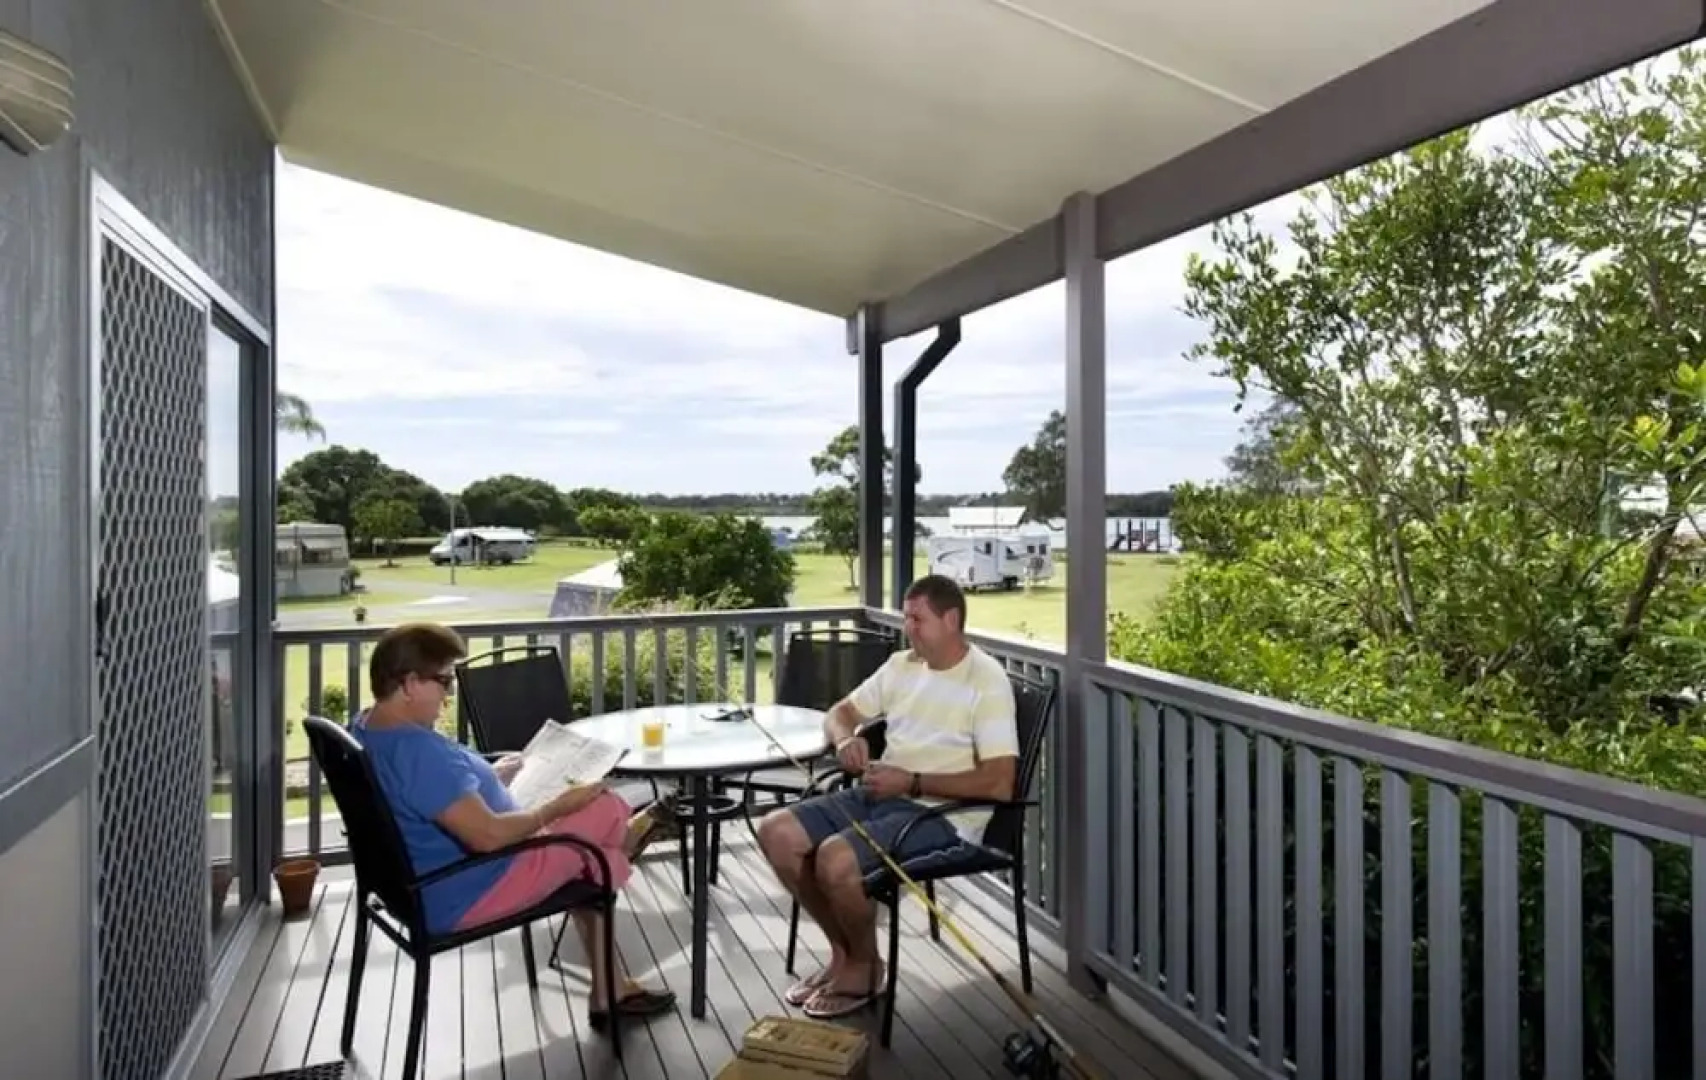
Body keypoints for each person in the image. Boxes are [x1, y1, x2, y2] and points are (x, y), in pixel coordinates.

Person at [349, 622, 676, 1031]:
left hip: (421, 886)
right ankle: (626, 842)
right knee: (605, 810)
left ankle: (611, 974)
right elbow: (487, 837)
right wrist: (554, 808)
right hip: (476, 885)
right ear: (410, 683)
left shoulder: (367, 728)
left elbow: (433, 794)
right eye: (444, 682)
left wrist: (490, 776)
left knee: (593, 859)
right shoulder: (417, 752)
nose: (449, 695)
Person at [756, 575, 1019, 1019]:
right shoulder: (902, 666)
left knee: (835, 859)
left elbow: (999, 784)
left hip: (943, 816)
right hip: (883, 794)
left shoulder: (985, 681)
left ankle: (865, 968)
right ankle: (845, 953)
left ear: (951, 620)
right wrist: (845, 740)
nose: (907, 628)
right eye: (905, 617)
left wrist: (912, 783)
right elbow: (841, 712)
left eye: (917, 619)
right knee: (776, 831)